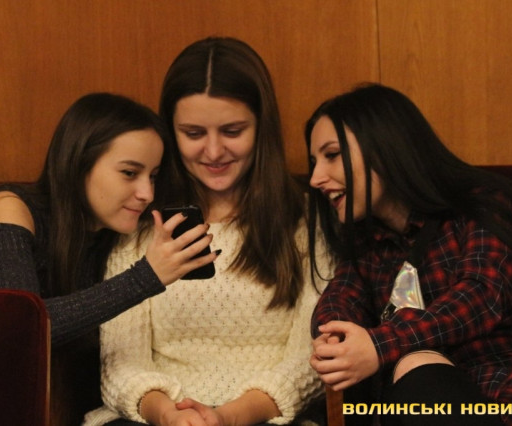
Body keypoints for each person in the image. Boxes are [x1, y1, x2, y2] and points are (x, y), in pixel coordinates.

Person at [0, 92, 218, 424]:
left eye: (152, 176)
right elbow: (24, 329)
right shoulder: (10, 208)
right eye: (129, 173)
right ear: (79, 165)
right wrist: (148, 276)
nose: (146, 193)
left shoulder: (113, 235)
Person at [84, 37, 329, 426]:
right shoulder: (140, 219)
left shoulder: (307, 220)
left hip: (265, 418)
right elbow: (120, 361)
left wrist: (226, 417)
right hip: (152, 418)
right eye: (194, 133)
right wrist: (169, 414)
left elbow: (310, 359)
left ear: (261, 127)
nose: (213, 152)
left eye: (232, 131)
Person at [306, 83, 512, 425]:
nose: (316, 178)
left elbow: (480, 297)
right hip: (425, 404)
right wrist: (335, 338)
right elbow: (340, 296)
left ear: (385, 146)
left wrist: (378, 346)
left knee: (415, 364)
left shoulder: (483, 205)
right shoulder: (369, 244)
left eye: (332, 155)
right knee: (407, 374)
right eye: (313, 162)